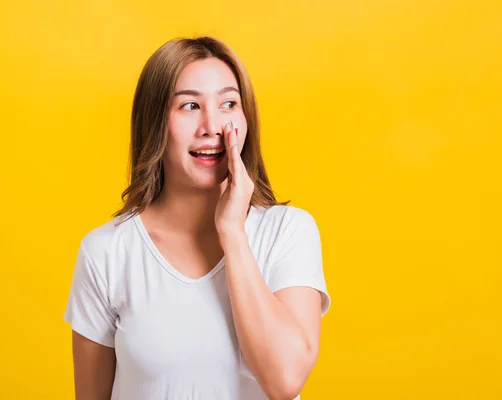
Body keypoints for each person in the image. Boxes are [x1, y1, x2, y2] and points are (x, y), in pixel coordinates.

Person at [63, 36, 331, 400]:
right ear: (155, 121)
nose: (212, 125)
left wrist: (233, 233)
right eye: (190, 105)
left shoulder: (288, 232)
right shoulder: (106, 252)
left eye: (228, 104)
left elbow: (284, 380)